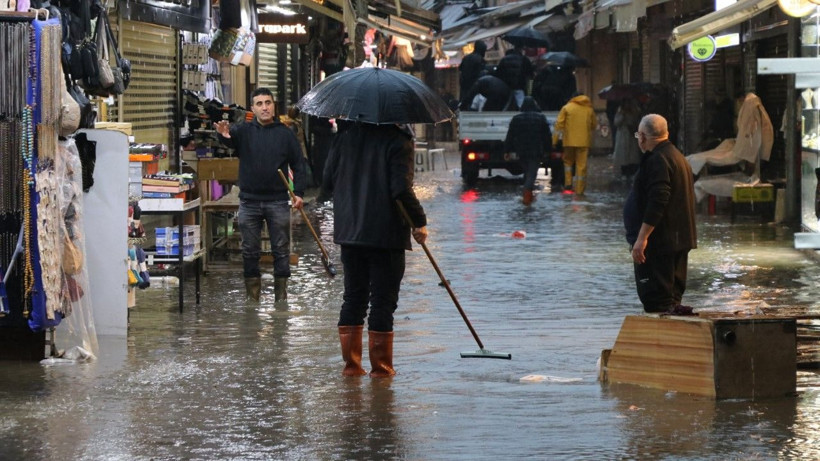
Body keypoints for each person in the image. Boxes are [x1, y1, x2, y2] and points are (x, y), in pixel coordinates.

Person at [323, 122, 428, 378]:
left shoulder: (344, 137)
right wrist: (419, 221)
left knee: (354, 298)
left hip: (351, 233)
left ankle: (352, 369)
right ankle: (381, 373)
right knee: (382, 302)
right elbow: (401, 189)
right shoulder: (399, 140)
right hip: (386, 234)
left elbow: (326, 181)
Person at [215, 87, 307, 302]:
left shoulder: (286, 134)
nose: (264, 107)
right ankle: (252, 299)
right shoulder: (243, 131)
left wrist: (299, 193)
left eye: (268, 102)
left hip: (277, 202)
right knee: (249, 251)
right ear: (252, 108)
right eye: (259, 104)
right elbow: (230, 142)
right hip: (249, 202)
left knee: (281, 250)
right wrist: (223, 135)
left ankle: (281, 298)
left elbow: (299, 165)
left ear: (274, 105)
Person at [623, 114, 697, 314]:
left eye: (638, 134)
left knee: (657, 299)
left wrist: (642, 239)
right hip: (677, 240)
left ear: (644, 137)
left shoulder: (658, 160)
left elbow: (659, 200)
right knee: (671, 300)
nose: (638, 138)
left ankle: (661, 341)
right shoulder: (677, 156)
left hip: (660, 244)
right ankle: (673, 341)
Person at [504, 96, 551, 205]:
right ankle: (527, 197)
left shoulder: (516, 118)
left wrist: (507, 151)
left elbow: (510, 136)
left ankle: (527, 195)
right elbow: (547, 136)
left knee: (527, 172)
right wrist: (548, 150)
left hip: (521, 151)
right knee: (531, 174)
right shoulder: (541, 118)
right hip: (536, 151)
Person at [552, 92, 596, 194]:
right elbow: (594, 125)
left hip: (568, 142)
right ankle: (580, 191)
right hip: (583, 142)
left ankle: (568, 185)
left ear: (573, 98)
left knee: (568, 163)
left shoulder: (567, 108)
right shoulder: (589, 109)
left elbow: (559, 125)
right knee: (581, 165)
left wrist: (554, 141)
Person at [494, 45, 534, 110]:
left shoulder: (504, 59)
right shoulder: (524, 59)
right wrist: (529, 91)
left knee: (504, 106)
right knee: (521, 106)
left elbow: (498, 74)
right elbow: (530, 75)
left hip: (506, 87)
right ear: (521, 50)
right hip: (519, 87)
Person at [612, 98, 642, 178]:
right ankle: (624, 171)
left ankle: (632, 170)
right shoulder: (620, 111)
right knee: (623, 154)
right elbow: (616, 123)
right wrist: (622, 115)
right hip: (623, 134)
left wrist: (634, 127)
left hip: (633, 133)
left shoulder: (636, 111)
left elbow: (638, 123)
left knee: (634, 153)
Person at [458, 40, 487, 109]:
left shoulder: (466, 58)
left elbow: (460, 69)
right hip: (474, 88)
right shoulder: (480, 60)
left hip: (464, 87)